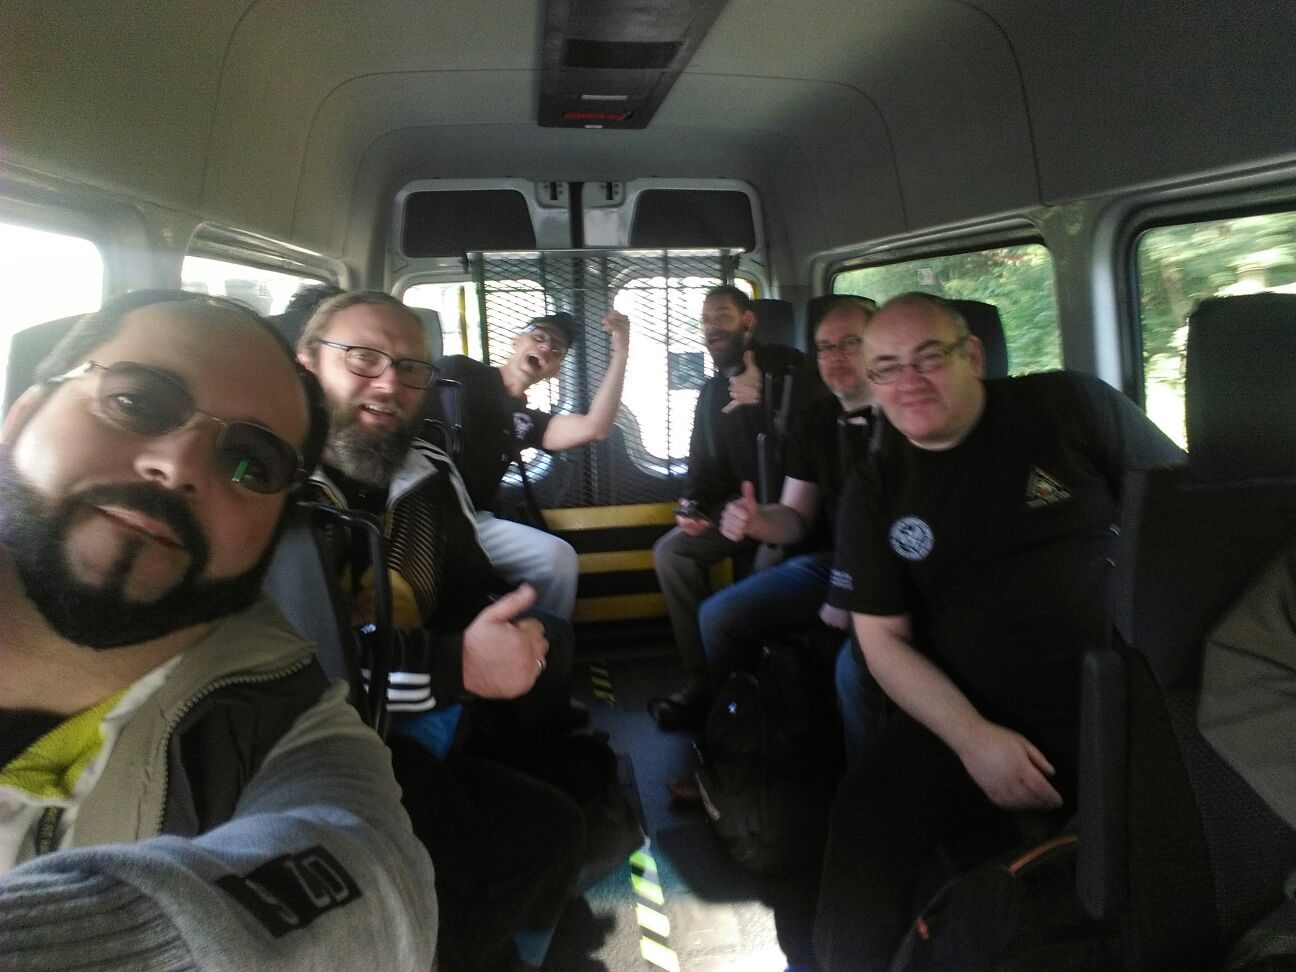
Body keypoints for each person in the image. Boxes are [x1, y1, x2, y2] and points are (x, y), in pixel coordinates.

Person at [0, 291, 437, 970]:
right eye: (135, 402)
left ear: (273, 528)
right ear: (22, 416)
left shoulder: (284, 715)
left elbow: (373, 872)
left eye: (250, 464)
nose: (177, 467)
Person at [813, 292, 1186, 971]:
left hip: (1130, 693)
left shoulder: (1068, 407)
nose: (909, 381)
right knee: (862, 820)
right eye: (888, 367)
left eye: (929, 357)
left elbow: (1181, 509)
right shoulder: (878, 486)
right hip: (969, 707)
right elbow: (882, 640)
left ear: (973, 356)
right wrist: (972, 738)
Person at [295, 290, 584, 972]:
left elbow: (468, 584)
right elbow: (301, 672)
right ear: (308, 365)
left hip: (414, 692)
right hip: (321, 738)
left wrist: (495, 642)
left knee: (548, 650)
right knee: (514, 848)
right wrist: (457, 666)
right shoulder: (274, 491)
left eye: (409, 368)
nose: (388, 383)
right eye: (361, 358)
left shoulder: (426, 471)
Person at [687, 295, 884, 766]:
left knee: (852, 671)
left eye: (850, 343)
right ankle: (736, 743)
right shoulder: (818, 422)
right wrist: (760, 520)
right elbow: (795, 515)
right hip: (830, 562)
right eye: (826, 347)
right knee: (717, 616)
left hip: (887, 572)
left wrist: (849, 589)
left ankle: (864, 789)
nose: (835, 356)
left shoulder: (903, 415)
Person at [650, 284, 821, 729]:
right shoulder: (711, 394)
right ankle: (702, 680)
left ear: (748, 321)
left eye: (722, 316)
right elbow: (702, 466)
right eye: (706, 319)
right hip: (735, 510)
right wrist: (692, 506)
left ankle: (756, 689)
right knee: (671, 552)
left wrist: (765, 383)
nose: (712, 327)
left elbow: (809, 386)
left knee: (767, 561)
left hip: (792, 511)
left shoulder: (788, 369)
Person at [429, 308, 631, 618]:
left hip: (471, 521)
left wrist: (621, 351)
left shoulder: (526, 421)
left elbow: (596, 427)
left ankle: (549, 638)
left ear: (555, 371)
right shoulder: (459, 370)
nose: (546, 347)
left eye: (557, 349)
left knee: (558, 558)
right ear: (516, 341)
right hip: (419, 510)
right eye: (539, 336)